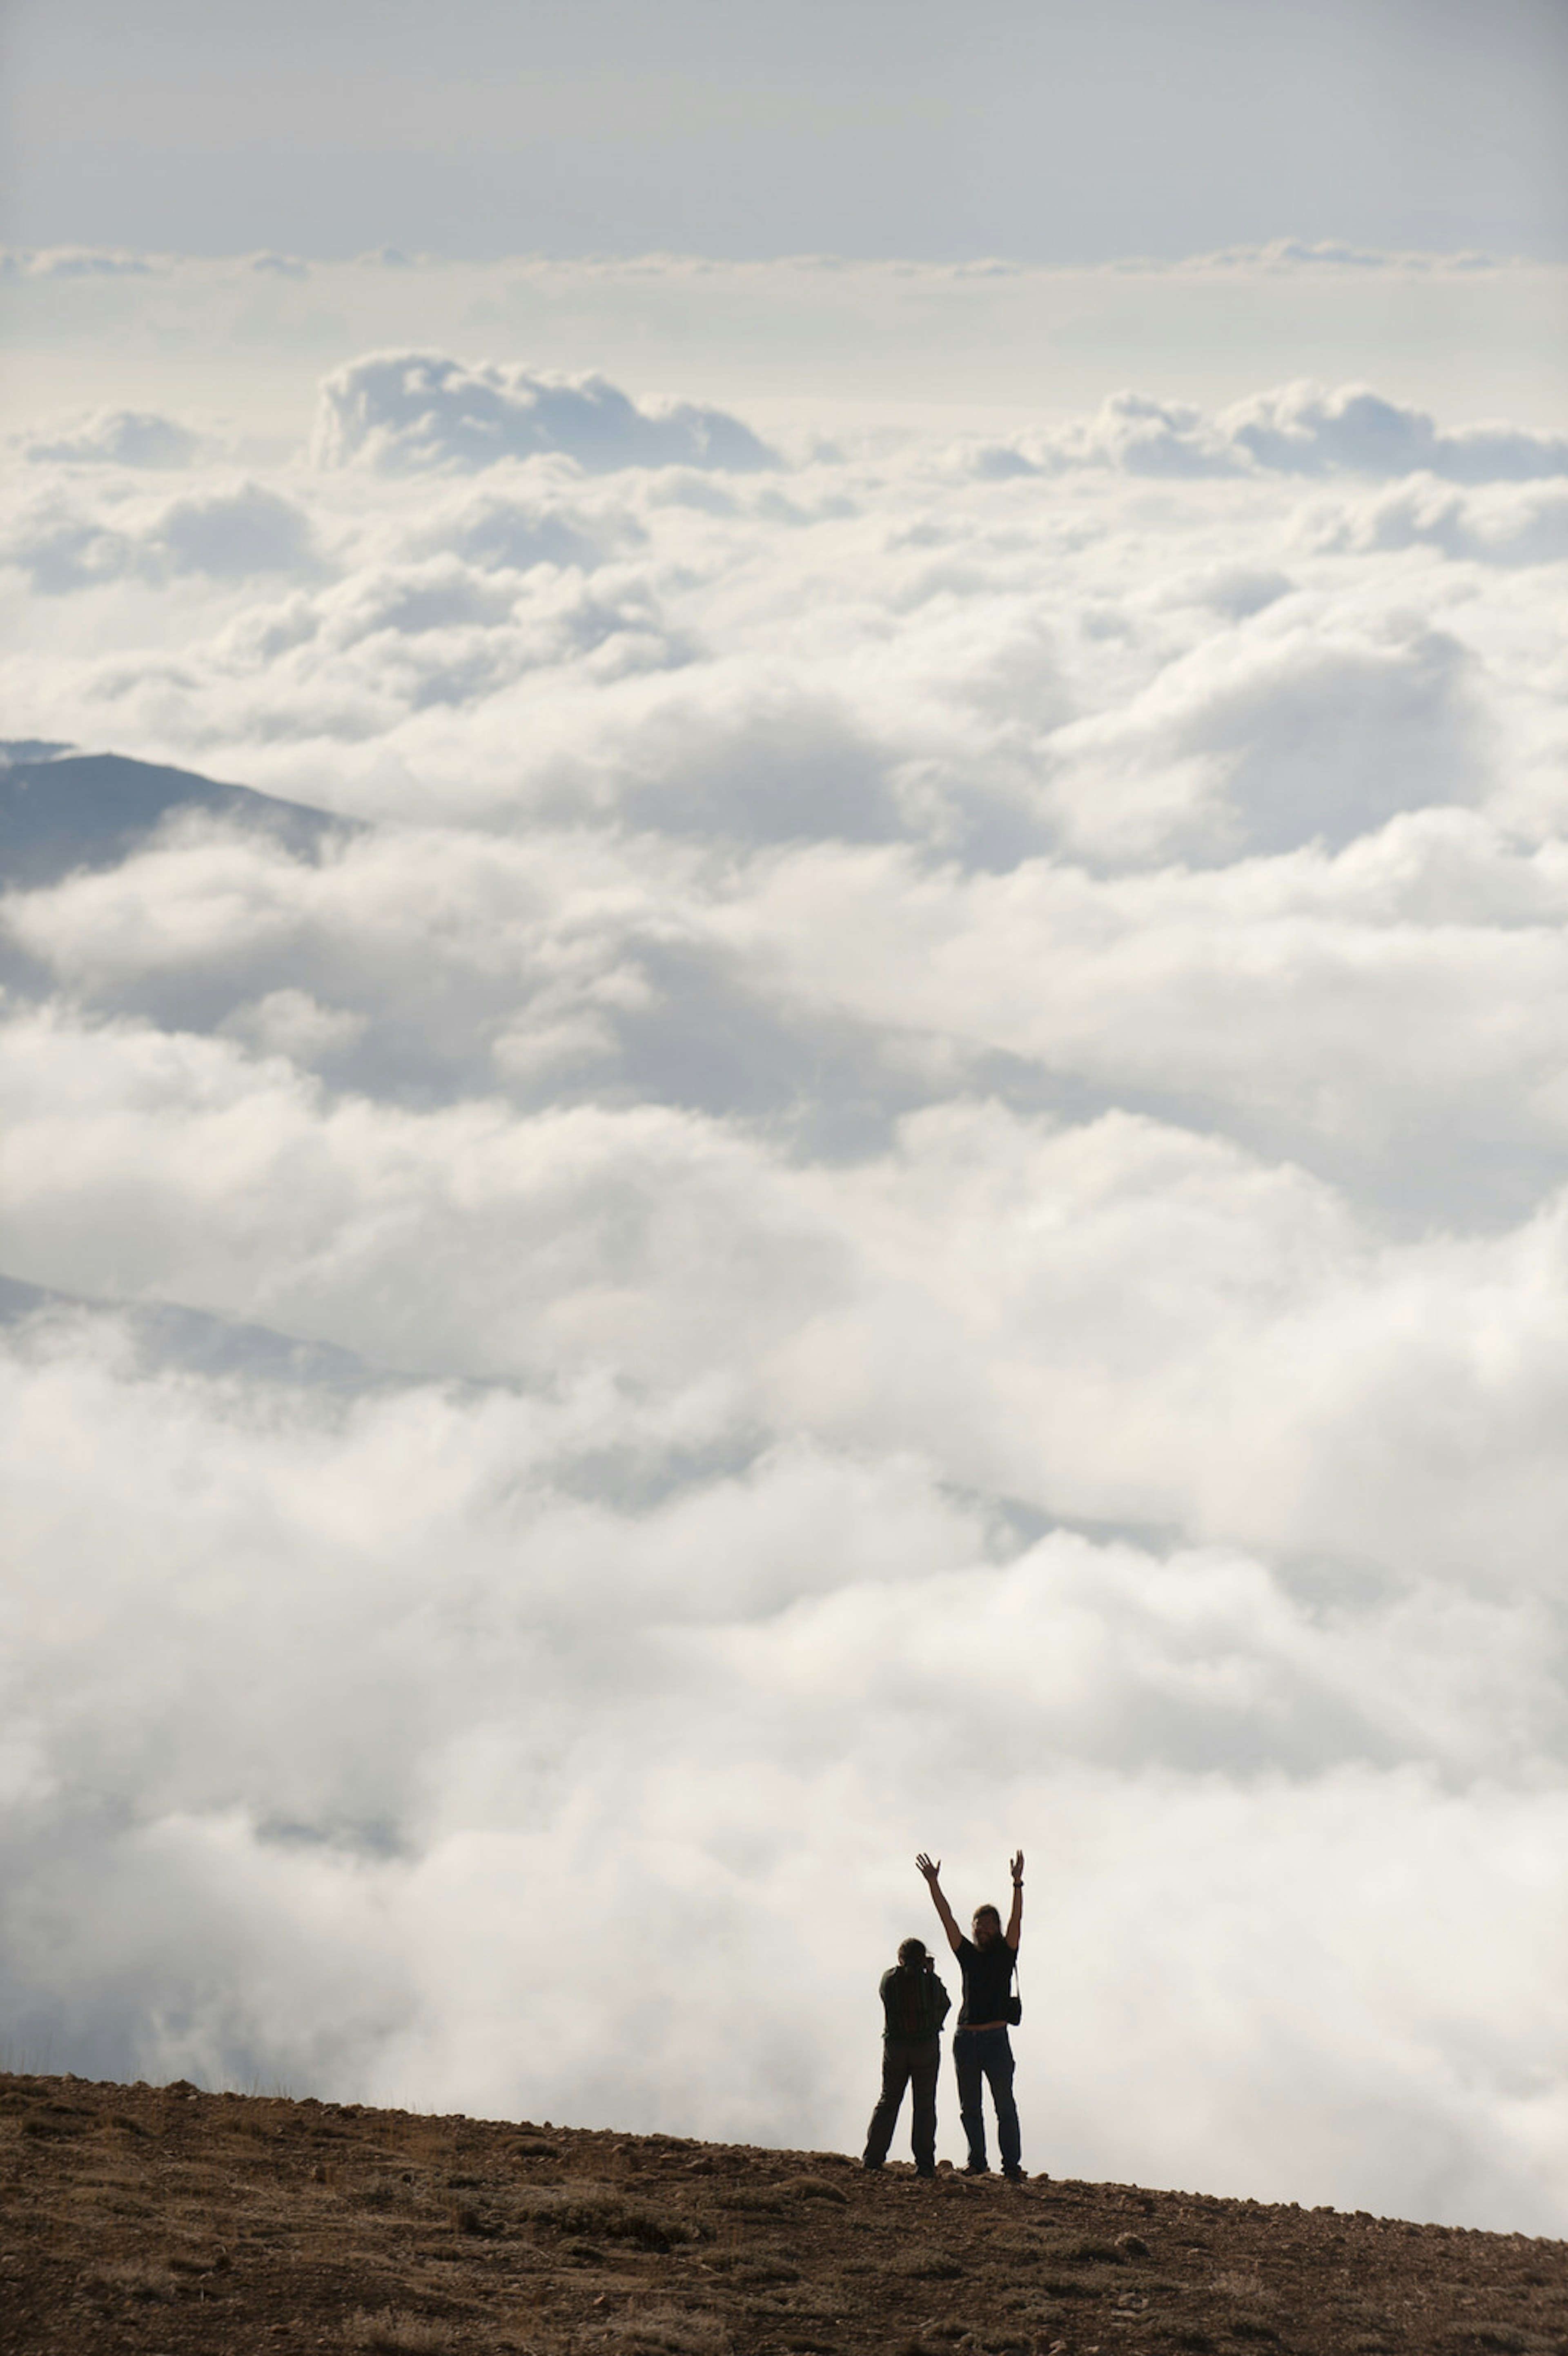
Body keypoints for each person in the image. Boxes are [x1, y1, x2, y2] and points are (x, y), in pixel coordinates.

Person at [915, 1848, 1026, 2180]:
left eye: (991, 1923)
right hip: (966, 2038)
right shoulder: (966, 1954)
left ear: (997, 1927)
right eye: (980, 1923)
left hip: (995, 2038)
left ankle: (1011, 2167)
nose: (985, 1927)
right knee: (970, 2108)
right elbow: (946, 1917)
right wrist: (934, 1884)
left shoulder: (1007, 1953)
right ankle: (978, 2161)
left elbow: (1017, 1921)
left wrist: (1017, 1884)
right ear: (975, 1927)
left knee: (1005, 2106)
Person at [862, 1935, 951, 2177]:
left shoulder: (889, 1980)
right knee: (924, 2105)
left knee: (889, 2100)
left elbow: (885, 1994)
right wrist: (930, 1973)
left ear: (900, 1958)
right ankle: (924, 2164)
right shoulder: (930, 1983)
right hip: (925, 2047)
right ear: (923, 1958)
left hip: (896, 2047)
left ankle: (873, 2157)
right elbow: (945, 2003)